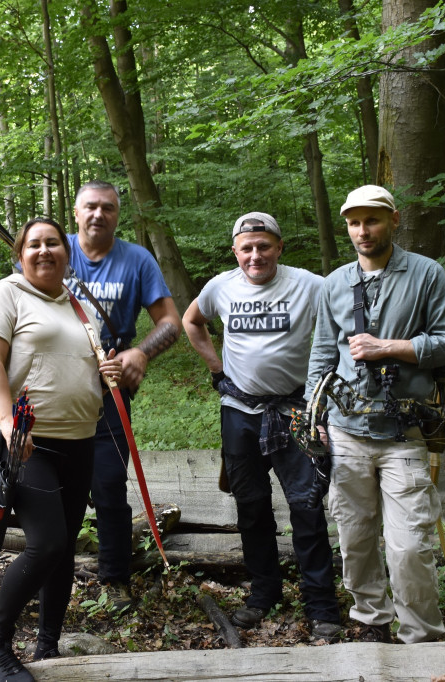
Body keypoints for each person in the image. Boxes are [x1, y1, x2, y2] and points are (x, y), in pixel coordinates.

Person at [0, 181, 180, 610]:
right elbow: (15, 305)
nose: (98, 214)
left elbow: (171, 322)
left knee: (108, 484)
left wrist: (139, 353)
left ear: (117, 213)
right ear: (75, 212)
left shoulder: (137, 261)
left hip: (99, 387)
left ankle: (114, 579)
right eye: (90, 206)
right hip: (29, 389)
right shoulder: (50, 244)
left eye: (108, 208)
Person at [306, 185, 445, 644]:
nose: (362, 231)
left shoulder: (425, 274)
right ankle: (371, 619)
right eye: (354, 222)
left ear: (394, 220)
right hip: (345, 430)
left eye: (371, 220)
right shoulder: (334, 283)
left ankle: (421, 634)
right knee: (354, 537)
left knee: (410, 544)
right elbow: (322, 352)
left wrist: (390, 347)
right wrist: (315, 410)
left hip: (404, 431)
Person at [0, 217, 121, 682]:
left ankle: (48, 645)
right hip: (27, 443)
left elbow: (74, 363)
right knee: (47, 542)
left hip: (81, 439)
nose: (44, 251)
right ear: (20, 253)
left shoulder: (78, 306)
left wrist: (104, 372)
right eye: (34, 244)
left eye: (53, 243)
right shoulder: (7, 293)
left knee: (64, 549)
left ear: (66, 251)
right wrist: (9, 418)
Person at [182, 212, 342, 640]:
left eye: (264, 246)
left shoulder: (310, 285)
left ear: (279, 247)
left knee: (306, 506)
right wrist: (216, 368)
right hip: (240, 412)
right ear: (235, 251)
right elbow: (191, 320)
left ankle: (321, 604)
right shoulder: (221, 287)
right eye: (247, 248)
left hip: (295, 411)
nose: (256, 255)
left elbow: (346, 324)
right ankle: (264, 593)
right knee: (251, 507)